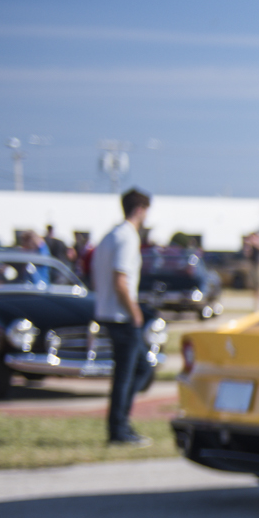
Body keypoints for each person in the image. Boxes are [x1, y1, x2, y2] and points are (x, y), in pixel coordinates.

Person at [90, 188, 152, 445]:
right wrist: (135, 312)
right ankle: (119, 427)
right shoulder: (127, 238)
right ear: (139, 210)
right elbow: (120, 281)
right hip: (122, 316)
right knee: (133, 373)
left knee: (137, 371)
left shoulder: (109, 236)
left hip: (107, 311)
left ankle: (121, 420)